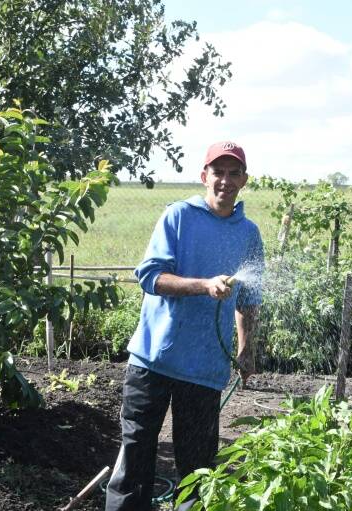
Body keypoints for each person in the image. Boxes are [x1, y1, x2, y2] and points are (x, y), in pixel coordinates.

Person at [105, 141, 264, 511]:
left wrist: (245, 350)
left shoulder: (248, 234)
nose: (225, 180)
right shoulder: (179, 216)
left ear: (244, 180)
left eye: (233, 173)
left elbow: (249, 300)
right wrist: (203, 285)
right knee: (135, 461)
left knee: (197, 470)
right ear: (203, 176)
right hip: (153, 360)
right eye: (218, 172)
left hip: (205, 369)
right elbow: (151, 277)